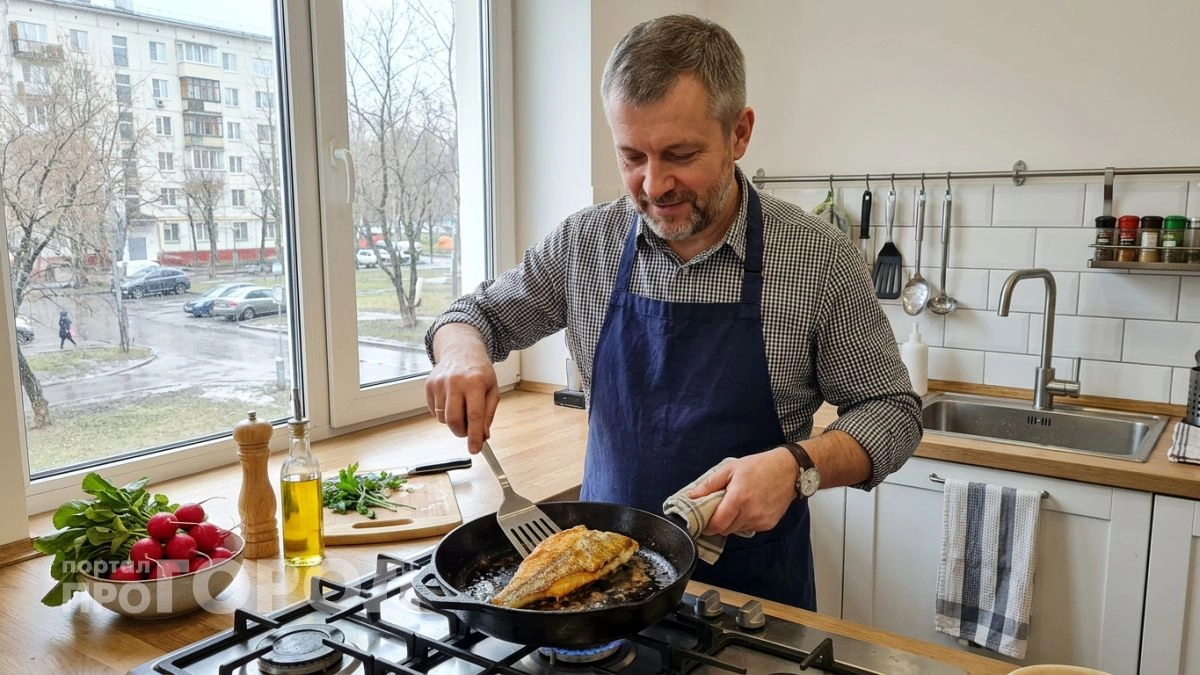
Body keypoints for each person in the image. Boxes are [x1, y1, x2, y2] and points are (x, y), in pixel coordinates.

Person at [423, 14, 921, 609]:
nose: (654, 185)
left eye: (679, 154)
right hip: (598, 601)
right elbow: (474, 315)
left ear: (739, 133)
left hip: (750, 604)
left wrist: (798, 466)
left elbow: (893, 412)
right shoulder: (586, 244)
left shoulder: (817, 257)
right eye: (631, 156)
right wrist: (459, 354)